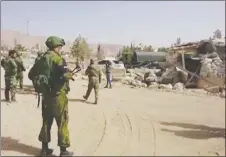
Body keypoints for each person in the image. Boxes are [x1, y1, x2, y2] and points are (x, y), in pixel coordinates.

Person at [28, 36, 74, 156]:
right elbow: (64, 75)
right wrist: (69, 74)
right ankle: (63, 151)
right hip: (58, 96)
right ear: (56, 47)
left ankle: (44, 149)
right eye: (60, 47)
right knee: (62, 122)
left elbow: (30, 75)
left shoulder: (40, 59)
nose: (60, 49)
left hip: (46, 96)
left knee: (46, 122)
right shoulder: (58, 59)